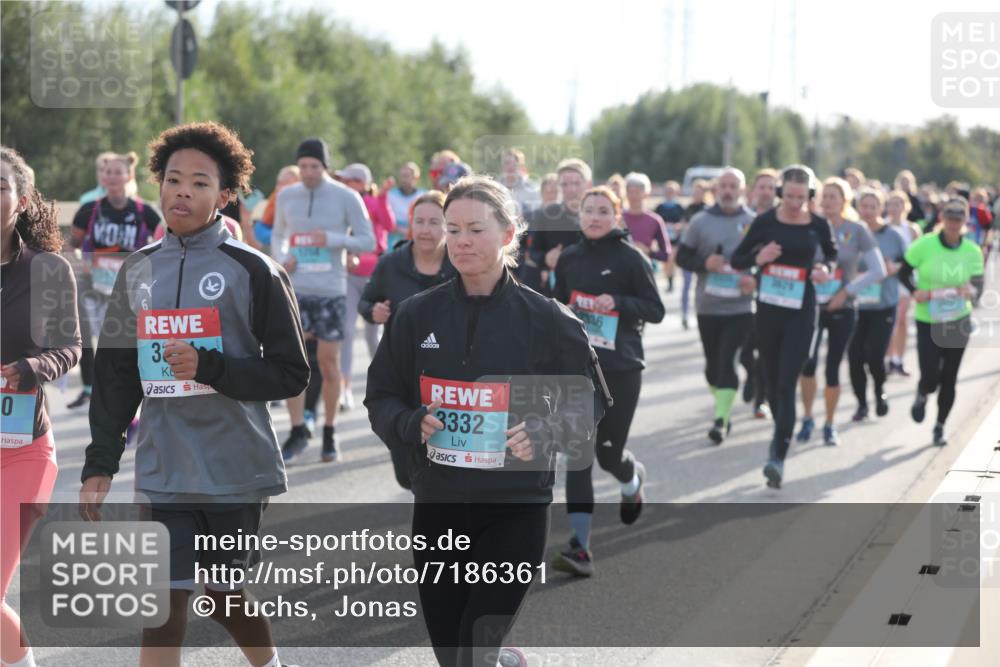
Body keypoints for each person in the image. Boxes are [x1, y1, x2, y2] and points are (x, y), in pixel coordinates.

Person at [78, 122, 309, 667]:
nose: (183, 191)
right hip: (164, 465)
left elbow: (290, 374)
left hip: (234, 465)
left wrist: (211, 367)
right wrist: (100, 463)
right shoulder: (137, 270)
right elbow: (115, 375)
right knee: (161, 605)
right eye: (174, 179)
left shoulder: (255, 270)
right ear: (157, 185)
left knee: (224, 597)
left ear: (225, 195)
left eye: (200, 183)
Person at [364, 175, 605, 667]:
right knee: (451, 653)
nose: (461, 241)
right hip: (439, 503)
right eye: (453, 230)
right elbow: (381, 395)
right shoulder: (415, 315)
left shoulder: (550, 319)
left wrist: (544, 432)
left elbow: (590, 402)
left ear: (509, 234)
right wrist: (409, 424)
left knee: (472, 651)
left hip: (514, 506)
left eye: (475, 229)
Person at [551, 185, 664, 576]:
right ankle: (579, 547)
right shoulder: (569, 258)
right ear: (579, 216)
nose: (595, 217)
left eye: (603, 210)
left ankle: (631, 479)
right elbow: (556, 305)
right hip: (578, 369)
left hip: (621, 368)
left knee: (608, 456)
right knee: (578, 456)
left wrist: (618, 303)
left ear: (616, 215)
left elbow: (656, 309)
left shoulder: (631, 259)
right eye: (588, 211)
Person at [1, 147, 81, 667]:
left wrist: (28, 369)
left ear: (21, 198)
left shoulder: (48, 269)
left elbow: (70, 346)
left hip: (21, 448)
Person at [731, 165, 837, 488]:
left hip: (801, 311)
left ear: (810, 196)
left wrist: (822, 269)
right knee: (773, 378)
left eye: (801, 197)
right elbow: (738, 259)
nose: (794, 203)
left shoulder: (818, 224)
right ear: (779, 194)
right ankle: (782, 432)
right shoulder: (765, 222)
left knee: (787, 382)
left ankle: (777, 456)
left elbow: (831, 257)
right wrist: (759, 257)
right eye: (789, 196)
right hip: (768, 310)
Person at [271, 138, 375, 463]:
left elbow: (368, 240)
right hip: (297, 290)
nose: (308, 172)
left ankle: (330, 431)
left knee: (329, 364)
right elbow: (277, 234)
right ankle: (298, 429)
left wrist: (331, 240)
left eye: (314, 166)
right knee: (295, 364)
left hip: (331, 291)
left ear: (325, 167)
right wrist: (281, 257)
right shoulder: (287, 195)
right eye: (302, 166)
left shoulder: (346, 196)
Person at [358, 190, 455, 490]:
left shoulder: (460, 263)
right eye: (419, 221)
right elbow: (365, 302)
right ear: (410, 224)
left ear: (447, 225)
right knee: (406, 473)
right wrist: (373, 311)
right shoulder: (391, 264)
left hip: (448, 374)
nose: (426, 229)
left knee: (443, 467)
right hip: (403, 371)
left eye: (434, 222)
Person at [67, 151, 163, 410]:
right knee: (102, 345)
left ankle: (134, 402)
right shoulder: (90, 210)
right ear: (102, 177)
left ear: (129, 176)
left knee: (129, 348)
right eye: (107, 171)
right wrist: (82, 262)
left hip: (131, 290)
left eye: (117, 172)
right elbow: (72, 245)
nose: (111, 176)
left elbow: (165, 241)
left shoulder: (144, 212)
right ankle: (106, 399)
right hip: (96, 288)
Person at [796, 178, 885, 446]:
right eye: (825, 196)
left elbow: (878, 270)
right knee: (808, 365)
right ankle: (808, 417)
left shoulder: (856, 230)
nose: (828, 201)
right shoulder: (810, 225)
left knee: (833, 368)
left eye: (834, 196)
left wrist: (846, 292)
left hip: (842, 308)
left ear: (845, 201)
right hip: (811, 306)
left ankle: (830, 423)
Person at [675, 168, 756, 444]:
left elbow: (766, 262)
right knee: (712, 367)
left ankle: (720, 420)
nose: (728, 191)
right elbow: (682, 257)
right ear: (716, 189)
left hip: (741, 308)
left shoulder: (754, 222)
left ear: (742, 190)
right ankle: (725, 405)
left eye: (734, 186)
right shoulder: (700, 221)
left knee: (727, 362)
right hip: (708, 306)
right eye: (723, 186)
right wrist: (703, 264)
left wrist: (753, 279)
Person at [898, 198, 985, 446]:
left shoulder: (972, 250)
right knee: (930, 376)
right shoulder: (925, 245)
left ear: (965, 221)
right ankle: (923, 392)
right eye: (950, 217)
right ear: (942, 219)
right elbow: (904, 271)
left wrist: (971, 291)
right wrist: (916, 291)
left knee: (949, 377)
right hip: (929, 318)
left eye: (959, 218)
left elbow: (979, 285)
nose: (954, 223)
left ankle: (939, 426)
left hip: (958, 319)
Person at [335, 162, 393, 412]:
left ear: (361, 182)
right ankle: (344, 389)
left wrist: (383, 197)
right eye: (344, 180)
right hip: (348, 274)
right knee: (347, 331)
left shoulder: (373, 202)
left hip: (374, 276)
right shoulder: (341, 203)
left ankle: (384, 383)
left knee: (372, 334)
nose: (345, 184)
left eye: (350, 180)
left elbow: (388, 224)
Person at [848, 189, 907, 420]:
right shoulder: (851, 232)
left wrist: (895, 268)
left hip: (883, 304)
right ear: (857, 208)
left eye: (873, 207)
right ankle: (862, 404)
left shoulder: (892, 235)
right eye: (864, 206)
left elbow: (907, 263)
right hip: (855, 305)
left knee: (874, 355)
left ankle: (879, 390)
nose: (868, 211)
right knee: (854, 358)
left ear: (880, 209)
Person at [740, 169, 780, 418]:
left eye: (770, 187)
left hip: (772, 293)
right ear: (753, 191)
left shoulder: (784, 219)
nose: (765, 192)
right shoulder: (743, 217)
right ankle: (752, 373)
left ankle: (761, 399)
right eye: (761, 187)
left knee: (766, 348)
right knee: (744, 350)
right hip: (740, 295)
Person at [527, 158, 592, 295]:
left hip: (595, 295)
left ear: (588, 184)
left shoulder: (602, 214)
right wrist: (545, 258)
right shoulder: (548, 214)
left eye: (576, 183)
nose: (571, 189)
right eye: (565, 184)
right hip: (558, 294)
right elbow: (534, 251)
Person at [885, 190, 923, 377]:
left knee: (901, 319)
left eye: (898, 204)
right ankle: (887, 358)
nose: (894, 208)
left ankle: (898, 360)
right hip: (886, 279)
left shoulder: (912, 229)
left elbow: (918, 257)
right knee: (888, 320)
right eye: (891, 204)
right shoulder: (882, 226)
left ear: (905, 207)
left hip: (904, 279)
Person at [678, 179, 713, 329]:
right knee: (686, 284)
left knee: (703, 285)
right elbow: (682, 226)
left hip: (703, 253)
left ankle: (703, 314)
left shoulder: (708, 210)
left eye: (699, 192)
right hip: (689, 251)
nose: (695, 195)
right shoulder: (689, 208)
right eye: (694, 192)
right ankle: (685, 314)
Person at [622, 172, 671, 263]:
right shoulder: (617, 218)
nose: (633, 196)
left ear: (646, 194)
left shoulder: (655, 220)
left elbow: (666, 255)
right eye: (630, 192)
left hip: (644, 271)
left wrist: (648, 251)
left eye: (637, 192)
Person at [258, 165, 301, 255]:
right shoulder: (275, 198)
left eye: (287, 183)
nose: (281, 187)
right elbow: (262, 231)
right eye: (280, 183)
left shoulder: (303, 201)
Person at [385, 161, 426, 250]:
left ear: (416, 177)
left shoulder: (424, 195)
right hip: (394, 241)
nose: (404, 180)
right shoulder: (390, 195)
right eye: (402, 176)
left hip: (417, 239)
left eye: (407, 176)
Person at [654, 180, 684, 293]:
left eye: (672, 191)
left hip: (675, 239)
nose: (669, 193)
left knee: (671, 259)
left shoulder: (679, 207)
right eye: (668, 191)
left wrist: (677, 226)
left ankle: (671, 283)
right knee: (666, 261)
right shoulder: (660, 207)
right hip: (663, 238)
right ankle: (668, 278)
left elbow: (683, 222)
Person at [499, 148, 541, 217]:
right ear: (502, 166)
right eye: (507, 163)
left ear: (520, 166)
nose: (510, 167)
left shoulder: (532, 189)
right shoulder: (495, 188)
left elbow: (536, 213)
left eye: (514, 164)